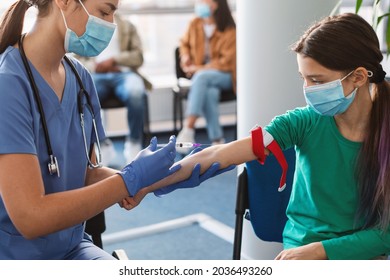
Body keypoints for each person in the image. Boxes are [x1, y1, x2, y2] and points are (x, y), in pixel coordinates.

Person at [130, 13, 390, 260]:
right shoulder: (304, 122)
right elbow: (217, 154)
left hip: (362, 253)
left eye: (317, 80)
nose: (307, 90)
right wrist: (146, 184)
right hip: (303, 250)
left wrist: (322, 251)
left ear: (357, 77)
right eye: (304, 78)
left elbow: (385, 233)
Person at [0, 0, 227, 260]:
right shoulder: (8, 84)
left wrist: (148, 179)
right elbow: (31, 218)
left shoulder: (79, 78)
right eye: (104, 12)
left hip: (73, 247)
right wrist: (127, 181)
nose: (110, 25)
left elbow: (82, 173)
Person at [76, 13, 152, 163]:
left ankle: (134, 142)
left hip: (124, 73)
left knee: (136, 93)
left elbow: (138, 57)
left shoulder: (128, 26)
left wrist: (115, 60)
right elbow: (75, 57)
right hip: (96, 75)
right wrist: (95, 67)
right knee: (85, 96)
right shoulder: (86, 25)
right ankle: (102, 142)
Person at [176, 0, 236, 153]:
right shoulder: (195, 23)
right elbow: (183, 44)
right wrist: (185, 57)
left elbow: (226, 63)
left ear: (215, 4)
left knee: (202, 77)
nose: (199, 3)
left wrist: (197, 68)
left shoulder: (229, 29)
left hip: (226, 76)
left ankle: (188, 128)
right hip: (203, 78)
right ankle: (217, 140)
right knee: (210, 92)